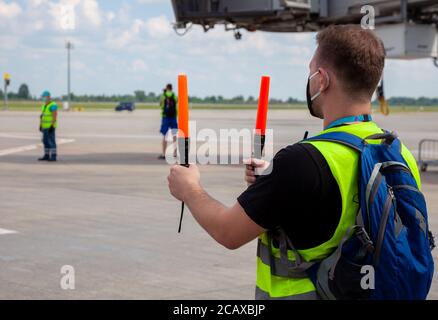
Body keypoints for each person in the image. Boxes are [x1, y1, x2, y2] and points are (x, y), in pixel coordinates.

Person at [167, 25, 424, 299]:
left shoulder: (301, 162)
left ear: (322, 79)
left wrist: (190, 189)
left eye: (311, 71)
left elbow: (227, 231)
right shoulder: (400, 154)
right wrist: (272, 182)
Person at [158, 84, 178, 160]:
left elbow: (160, 104)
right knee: (174, 136)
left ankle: (164, 153)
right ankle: (175, 153)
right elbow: (177, 102)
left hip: (165, 117)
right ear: (172, 88)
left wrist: (164, 93)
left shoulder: (163, 95)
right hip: (173, 117)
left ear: (166, 88)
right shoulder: (174, 95)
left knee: (164, 136)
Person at [39, 91, 58, 162]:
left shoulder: (53, 105)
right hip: (44, 127)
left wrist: (52, 126)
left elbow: (54, 116)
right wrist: (40, 125)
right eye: (43, 97)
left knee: (51, 142)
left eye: (44, 97)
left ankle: (53, 156)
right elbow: (43, 116)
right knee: (45, 141)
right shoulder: (44, 106)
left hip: (50, 127)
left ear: (49, 97)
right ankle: (46, 155)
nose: (43, 98)